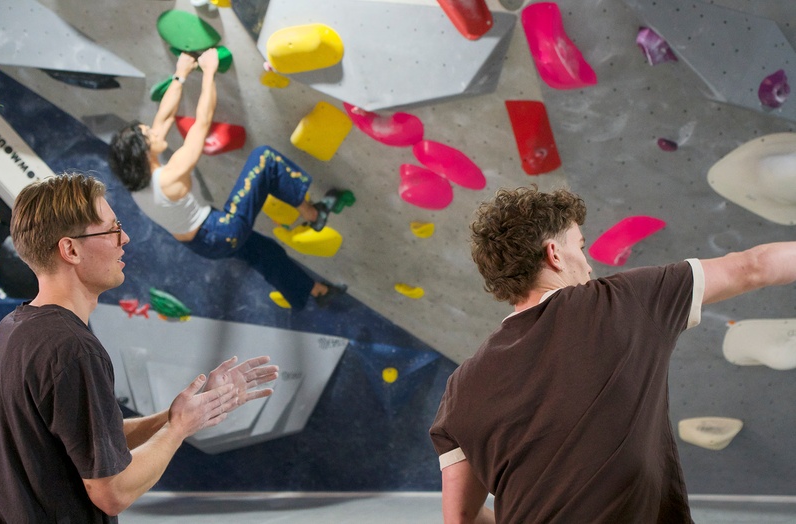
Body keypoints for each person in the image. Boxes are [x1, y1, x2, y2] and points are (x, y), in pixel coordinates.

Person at [429, 186, 796, 523]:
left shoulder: (461, 386)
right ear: (554, 254)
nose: (588, 265)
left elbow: (460, 517)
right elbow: (754, 266)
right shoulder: (622, 301)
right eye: (581, 246)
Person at [0, 174, 279, 522]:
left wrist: (185, 413)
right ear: (70, 249)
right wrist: (177, 429)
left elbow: (97, 439)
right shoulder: (71, 349)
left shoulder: (16, 328)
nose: (125, 239)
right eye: (111, 229)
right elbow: (112, 492)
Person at [108, 48, 344, 311]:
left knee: (265, 252)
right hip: (220, 231)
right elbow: (202, 122)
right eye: (148, 134)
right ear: (143, 151)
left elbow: (163, 116)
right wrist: (209, 71)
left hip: (203, 243)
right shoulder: (170, 176)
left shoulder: (138, 179)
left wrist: (180, 75)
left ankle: (315, 292)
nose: (154, 130)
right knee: (264, 159)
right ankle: (312, 214)